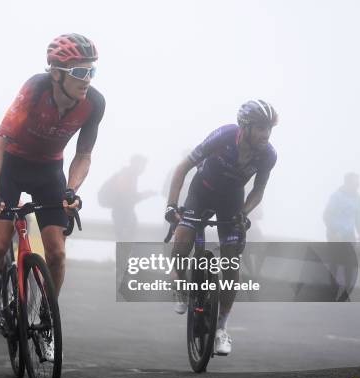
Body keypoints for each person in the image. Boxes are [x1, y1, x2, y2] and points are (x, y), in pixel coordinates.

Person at [0, 33, 105, 361]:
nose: (87, 80)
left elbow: (84, 155)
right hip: (14, 167)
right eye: (80, 72)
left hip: (50, 172)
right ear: (56, 74)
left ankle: (47, 320)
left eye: (92, 71)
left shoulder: (95, 103)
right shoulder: (35, 90)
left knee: (57, 255)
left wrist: (71, 190)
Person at [165, 100, 278, 355]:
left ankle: (221, 328)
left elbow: (258, 191)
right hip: (202, 192)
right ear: (245, 127)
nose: (266, 134)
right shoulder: (225, 136)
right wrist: (172, 205)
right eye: (260, 128)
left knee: (231, 264)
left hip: (232, 200)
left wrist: (243, 213)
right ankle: (179, 282)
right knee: (184, 239)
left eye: (269, 128)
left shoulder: (268, 155)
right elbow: (183, 167)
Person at [98, 155, 156, 241]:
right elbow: (125, 197)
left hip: (122, 210)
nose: (143, 169)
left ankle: (125, 251)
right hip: (121, 211)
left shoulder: (131, 175)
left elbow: (129, 197)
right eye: (142, 166)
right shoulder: (126, 175)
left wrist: (143, 195)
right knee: (125, 236)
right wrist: (144, 195)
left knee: (125, 235)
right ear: (136, 165)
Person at [324, 173, 360, 242]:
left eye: (358, 183)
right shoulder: (336, 196)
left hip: (349, 234)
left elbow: (358, 216)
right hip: (335, 234)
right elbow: (326, 215)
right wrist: (333, 233)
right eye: (356, 183)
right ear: (348, 183)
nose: (358, 185)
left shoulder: (357, 198)